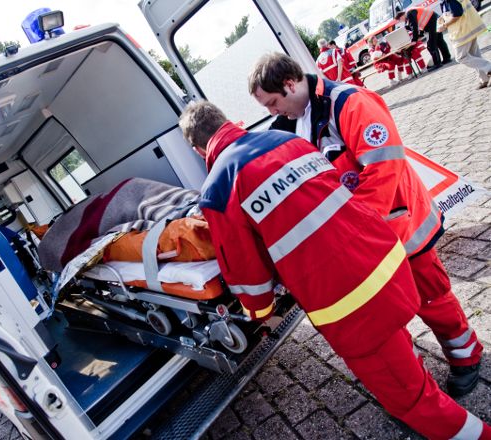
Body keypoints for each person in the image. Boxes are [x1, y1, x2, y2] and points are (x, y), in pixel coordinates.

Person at [178, 99, 490, 439]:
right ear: (228, 120)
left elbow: (246, 272)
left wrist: (261, 311)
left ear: (198, 149)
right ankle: (426, 368)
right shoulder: (288, 141)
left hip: (349, 300)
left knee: (407, 396)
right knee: (395, 331)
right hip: (386, 259)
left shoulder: (218, 191)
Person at [248, 52, 484, 397]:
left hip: (400, 226)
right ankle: (417, 377)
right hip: (369, 237)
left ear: (290, 83)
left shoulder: (349, 104)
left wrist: (355, 232)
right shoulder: (297, 120)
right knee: (391, 308)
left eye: (272, 102)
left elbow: (384, 166)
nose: (272, 112)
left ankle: (467, 356)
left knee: (431, 296)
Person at [438, 0, 491, 89]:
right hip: (469, 28)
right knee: (474, 55)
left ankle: (489, 68)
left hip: (463, 31)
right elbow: (455, 10)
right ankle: (484, 79)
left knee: (461, 57)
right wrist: (443, 17)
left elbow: (457, 14)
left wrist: (444, 25)